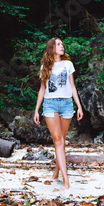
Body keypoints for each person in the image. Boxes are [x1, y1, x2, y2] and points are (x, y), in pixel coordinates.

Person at [33, 38, 83, 190]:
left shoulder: (68, 64)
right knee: (57, 140)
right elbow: (42, 89)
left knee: (61, 140)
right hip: (50, 104)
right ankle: (66, 180)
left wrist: (79, 106)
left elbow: (72, 87)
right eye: (59, 44)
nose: (62, 46)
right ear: (52, 48)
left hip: (67, 104)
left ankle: (56, 173)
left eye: (62, 44)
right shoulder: (45, 66)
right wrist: (36, 110)